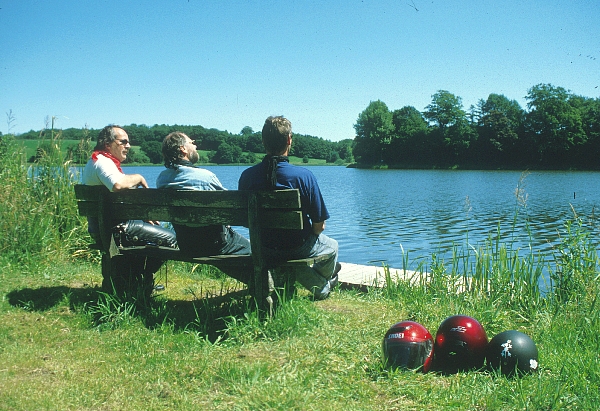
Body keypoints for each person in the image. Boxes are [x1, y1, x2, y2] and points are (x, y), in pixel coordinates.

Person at [238, 116, 340, 300]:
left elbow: (245, 221)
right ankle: (322, 287)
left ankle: (296, 275)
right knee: (332, 247)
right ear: (289, 140)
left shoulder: (247, 176)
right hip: (297, 246)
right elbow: (319, 225)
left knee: (290, 256)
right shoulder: (303, 177)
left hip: (263, 246)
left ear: (263, 142)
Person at [82, 125, 177, 293]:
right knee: (173, 240)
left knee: (155, 232)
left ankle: (133, 281)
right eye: (123, 142)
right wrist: (139, 177)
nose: (128, 146)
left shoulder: (97, 160)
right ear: (108, 144)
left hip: (103, 227)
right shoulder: (103, 162)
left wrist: (142, 216)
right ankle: (138, 280)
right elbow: (117, 184)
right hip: (116, 229)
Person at [156, 131, 252, 283]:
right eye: (192, 142)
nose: (195, 145)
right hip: (215, 244)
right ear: (183, 149)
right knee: (256, 252)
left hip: (186, 244)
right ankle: (268, 287)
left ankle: (258, 283)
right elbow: (235, 207)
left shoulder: (162, 178)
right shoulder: (205, 177)